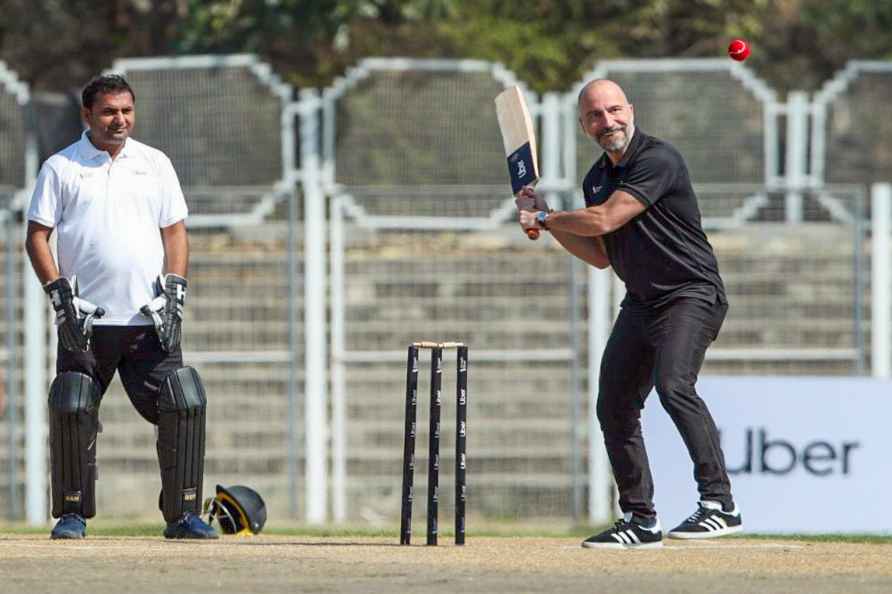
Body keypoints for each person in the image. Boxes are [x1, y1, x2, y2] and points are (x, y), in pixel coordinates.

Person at [516, 79, 742, 549]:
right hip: (642, 300)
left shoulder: (657, 158)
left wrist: (545, 219)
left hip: (690, 293)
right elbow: (599, 252)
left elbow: (604, 219)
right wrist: (547, 216)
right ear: (584, 125)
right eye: (596, 116)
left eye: (614, 111)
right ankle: (640, 520)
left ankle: (720, 504)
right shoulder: (596, 178)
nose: (608, 122)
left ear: (631, 110)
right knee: (614, 405)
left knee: (673, 385)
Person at [25, 74, 216, 540]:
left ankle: (183, 515)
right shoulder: (61, 167)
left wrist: (175, 292)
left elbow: (175, 232)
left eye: (127, 110)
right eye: (109, 111)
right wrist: (59, 297)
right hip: (87, 322)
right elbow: (36, 236)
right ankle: (71, 514)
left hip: (149, 320)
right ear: (87, 115)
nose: (120, 120)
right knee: (73, 407)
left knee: (183, 403)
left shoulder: (154, 164)